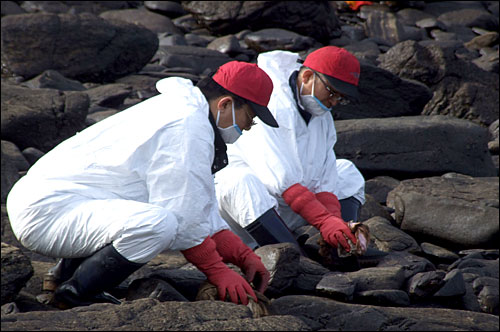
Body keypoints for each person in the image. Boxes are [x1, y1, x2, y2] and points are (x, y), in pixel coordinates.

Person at [6, 61, 278, 309]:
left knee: (152, 209)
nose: (250, 126)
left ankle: (62, 278)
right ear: (226, 104)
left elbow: (197, 202)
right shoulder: (186, 127)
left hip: (55, 202)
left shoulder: (186, 112)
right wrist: (218, 270)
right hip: (46, 212)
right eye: (250, 117)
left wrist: (243, 256)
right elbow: (184, 218)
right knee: (159, 224)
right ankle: (75, 294)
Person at [214, 46, 366, 254]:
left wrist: (333, 220)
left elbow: (326, 177)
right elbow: (280, 179)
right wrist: (322, 220)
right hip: (245, 215)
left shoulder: (323, 117)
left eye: (340, 97)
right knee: (239, 181)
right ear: (307, 76)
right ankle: (293, 256)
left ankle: (343, 244)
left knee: (347, 171)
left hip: (291, 207)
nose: (334, 102)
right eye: (332, 92)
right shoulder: (270, 103)